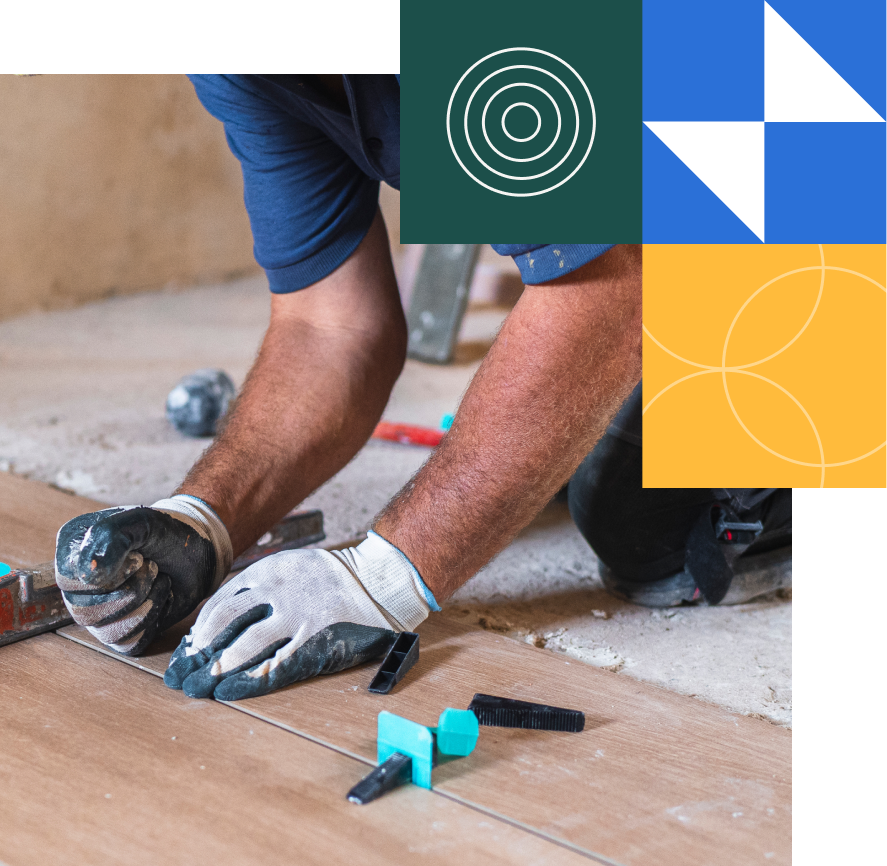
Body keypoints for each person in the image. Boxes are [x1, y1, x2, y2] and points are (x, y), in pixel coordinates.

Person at [54, 75, 787, 703]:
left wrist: (385, 576)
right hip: (669, 182)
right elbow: (330, 327)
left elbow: (606, 286)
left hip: (803, 151)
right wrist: (204, 520)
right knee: (555, 435)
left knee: (656, 531)